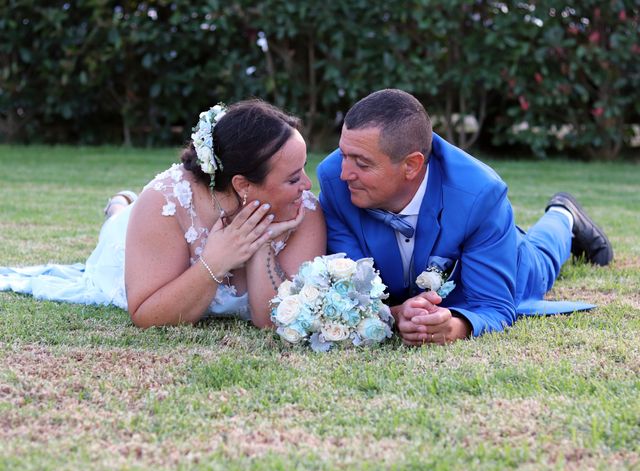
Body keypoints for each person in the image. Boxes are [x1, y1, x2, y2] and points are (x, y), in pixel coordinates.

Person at [317, 88, 613, 346]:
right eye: (344, 154)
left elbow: (494, 305)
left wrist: (454, 326)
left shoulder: (480, 193)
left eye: (362, 163)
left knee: (543, 262)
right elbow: (356, 286)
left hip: (513, 261)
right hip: (422, 282)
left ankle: (563, 215)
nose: (345, 173)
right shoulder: (334, 181)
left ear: (411, 165)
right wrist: (395, 314)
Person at [0, 100, 326, 328]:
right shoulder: (166, 201)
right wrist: (215, 262)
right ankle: (120, 206)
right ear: (243, 184)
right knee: (116, 227)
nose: (308, 186)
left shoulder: (304, 211)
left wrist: (260, 243)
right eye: (293, 177)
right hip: (137, 239)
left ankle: (121, 206)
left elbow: (272, 321)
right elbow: (145, 314)